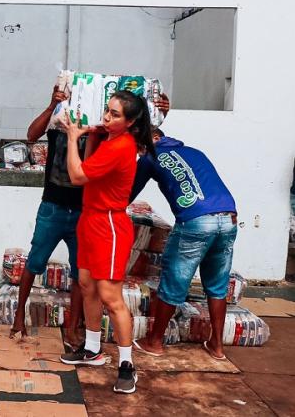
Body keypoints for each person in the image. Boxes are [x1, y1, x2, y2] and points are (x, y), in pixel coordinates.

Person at [58, 91, 156, 395]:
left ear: (130, 122)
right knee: (86, 285)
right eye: (107, 110)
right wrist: (91, 135)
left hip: (110, 225)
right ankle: (92, 349)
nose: (106, 117)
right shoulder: (109, 139)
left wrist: (72, 137)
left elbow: (77, 175)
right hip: (90, 219)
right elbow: (90, 166)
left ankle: (127, 365)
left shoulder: (122, 145)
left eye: (115, 114)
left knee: (111, 297)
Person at [132, 129, 237, 361]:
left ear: (153, 139)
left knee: (174, 281)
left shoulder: (149, 156)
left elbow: (127, 193)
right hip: (229, 217)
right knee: (217, 284)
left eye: (138, 147)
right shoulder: (195, 152)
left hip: (195, 221)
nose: (138, 153)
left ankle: (154, 342)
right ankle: (217, 346)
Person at [9, 83, 85, 349]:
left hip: (82, 211)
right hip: (52, 206)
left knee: (80, 272)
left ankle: (72, 328)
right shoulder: (58, 121)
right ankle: (19, 316)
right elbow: (31, 134)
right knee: (35, 262)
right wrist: (53, 104)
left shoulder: (96, 128)